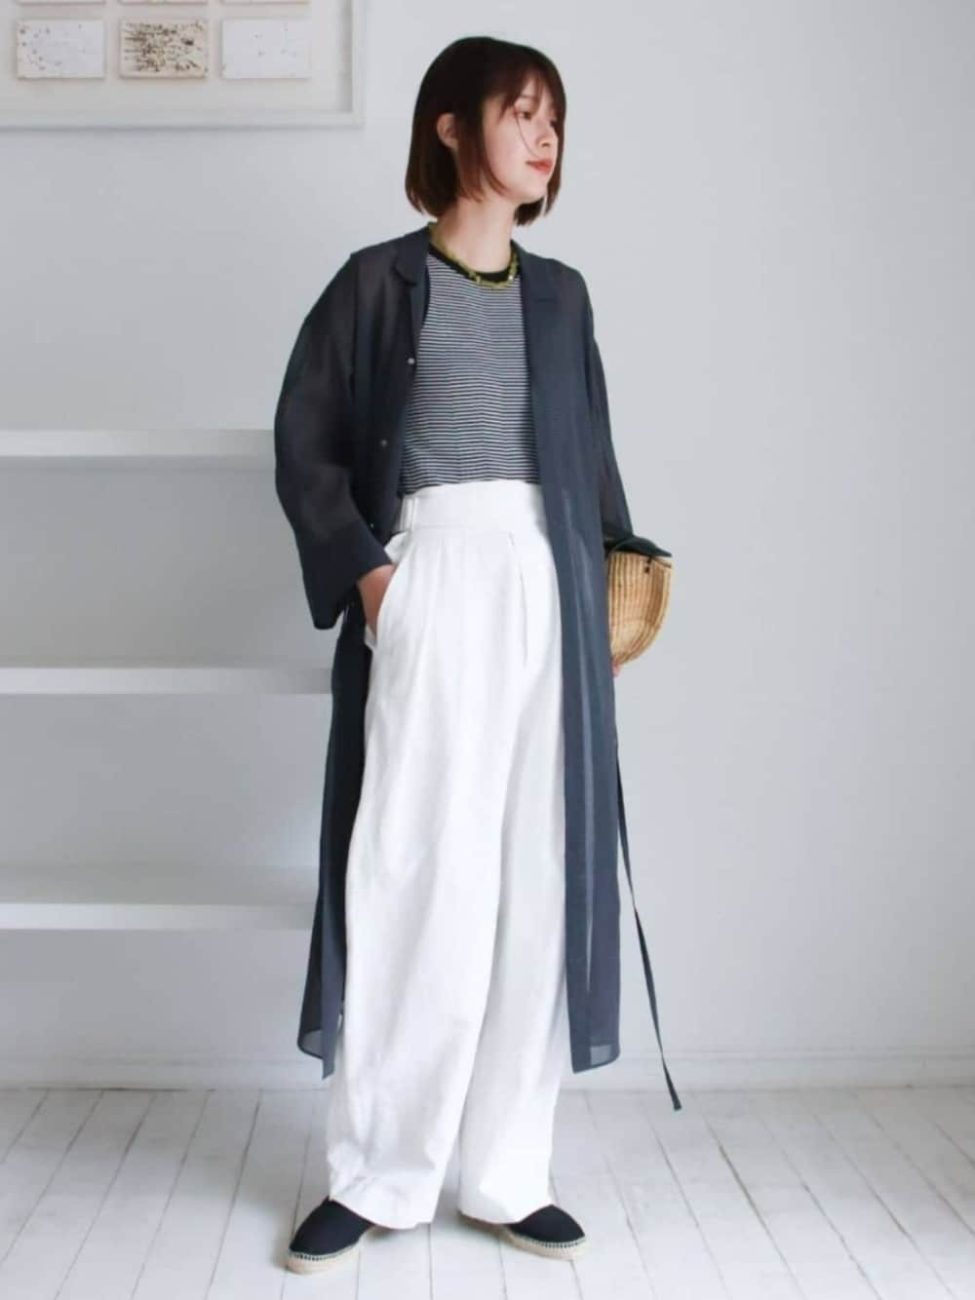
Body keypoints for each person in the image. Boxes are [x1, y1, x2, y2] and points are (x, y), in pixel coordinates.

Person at [275, 34, 678, 1276]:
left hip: (549, 587)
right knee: (412, 871)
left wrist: (610, 589)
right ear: (451, 126)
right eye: (521, 111)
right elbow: (306, 447)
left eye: (555, 117)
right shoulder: (374, 285)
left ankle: (508, 1170)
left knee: (535, 878)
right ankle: (379, 1175)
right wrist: (377, 583)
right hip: (432, 576)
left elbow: (592, 454)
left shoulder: (564, 297)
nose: (545, 135)